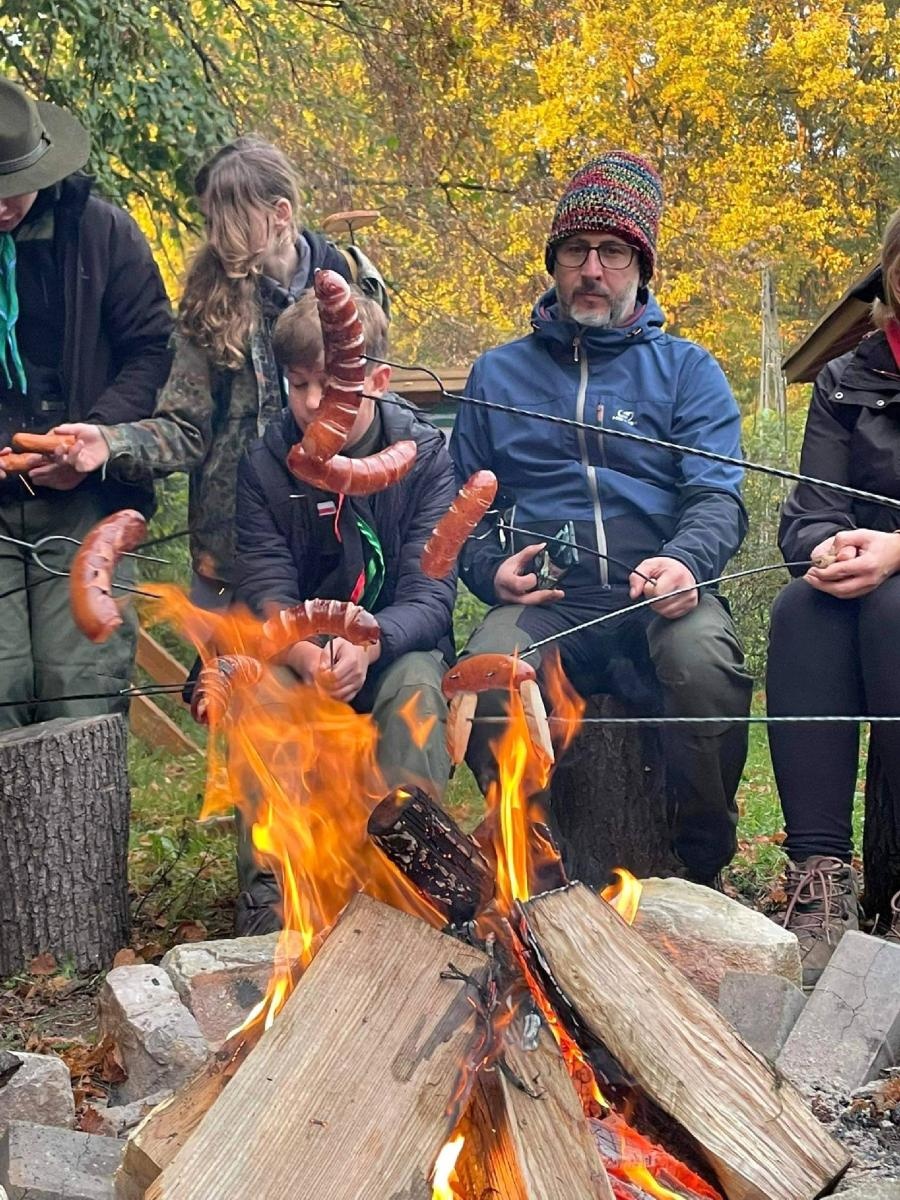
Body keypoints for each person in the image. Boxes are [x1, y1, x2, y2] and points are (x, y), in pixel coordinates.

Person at [450, 150, 753, 887]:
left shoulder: (688, 370)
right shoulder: (497, 373)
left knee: (704, 665)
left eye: (613, 252)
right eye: (576, 250)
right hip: (549, 604)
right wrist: (490, 567)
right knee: (489, 673)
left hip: (658, 594)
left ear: (641, 268)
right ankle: (533, 863)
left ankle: (699, 861)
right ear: (554, 264)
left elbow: (718, 494)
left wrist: (688, 563)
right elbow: (460, 511)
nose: (593, 268)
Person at [54, 137, 385, 609]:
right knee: (223, 680)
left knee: (336, 674)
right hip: (233, 560)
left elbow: (376, 409)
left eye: (229, 220)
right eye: (210, 221)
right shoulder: (208, 305)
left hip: (337, 547)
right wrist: (111, 442)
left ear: (281, 214)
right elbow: (184, 431)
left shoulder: (350, 286)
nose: (216, 236)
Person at [229, 287, 456, 932]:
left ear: (377, 381)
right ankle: (271, 901)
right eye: (297, 384)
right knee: (261, 694)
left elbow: (432, 592)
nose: (308, 404)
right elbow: (266, 584)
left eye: (328, 385)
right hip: (299, 653)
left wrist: (370, 641)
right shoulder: (266, 463)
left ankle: (414, 885)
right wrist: (304, 651)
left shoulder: (425, 454)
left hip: (391, 649)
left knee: (415, 689)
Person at [0, 78, 172, 729]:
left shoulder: (102, 232)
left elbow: (154, 352)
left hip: (83, 500)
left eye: (15, 183)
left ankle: (77, 835)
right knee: (3, 680)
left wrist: (93, 439)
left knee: (79, 689)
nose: (4, 204)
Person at [768, 208, 900, 984]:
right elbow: (811, 507)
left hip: (892, 593)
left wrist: (895, 552)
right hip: (858, 584)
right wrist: (826, 546)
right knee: (801, 610)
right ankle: (822, 878)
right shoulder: (847, 377)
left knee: (893, 611)